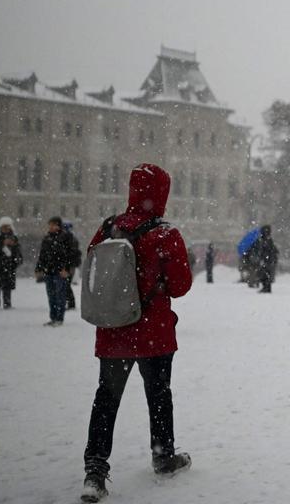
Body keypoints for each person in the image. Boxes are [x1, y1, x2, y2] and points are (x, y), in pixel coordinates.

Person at [80, 163, 193, 503]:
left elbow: (94, 271)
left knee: (106, 399)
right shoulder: (165, 234)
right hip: (153, 333)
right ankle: (163, 455)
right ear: (161, 193)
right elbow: (181, 285)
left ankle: (95, 470)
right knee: (158, 395)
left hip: (113, 330)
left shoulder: (107, 228)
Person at [36, 216, 76, 326]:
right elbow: (42, 255)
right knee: (51, 296)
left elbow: (71, 255)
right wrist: (38, 268)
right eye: (50, 225)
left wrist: (67, 269)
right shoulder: (47, 238)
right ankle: (53, 317)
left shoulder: (66, 237)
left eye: (53, 225)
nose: (50, 227)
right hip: (49, 271)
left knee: (60, 296)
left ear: (58, 226)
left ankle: (59, 318)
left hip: (60, 271)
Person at [250, 225, 279, 293]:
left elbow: (267, 250)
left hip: (267, 260)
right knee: (265, 274)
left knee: (264, 274)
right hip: (268, 260)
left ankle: (266, 288)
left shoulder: (266, 240)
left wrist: (264, 257)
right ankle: (266, 287)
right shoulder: (266, 239)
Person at [62, 221, 81, 311]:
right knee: (66, 284)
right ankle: (69, 303)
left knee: (66, 284)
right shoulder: (72, 238)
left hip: (70, 265)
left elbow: (72, 253)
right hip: (70, 265)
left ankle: (70, 303)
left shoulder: (71, 239)